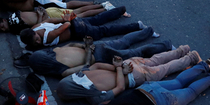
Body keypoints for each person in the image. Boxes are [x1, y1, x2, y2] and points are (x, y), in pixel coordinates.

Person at [56, 42, 203, 105]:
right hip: (128, 64)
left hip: (132, 76)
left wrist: (120, 70)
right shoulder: (82, 74)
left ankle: (192, 57)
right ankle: (183, 49)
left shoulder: (93, 97)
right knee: (155, 59)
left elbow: (120, 88)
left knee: (165, 68)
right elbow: (97, 65)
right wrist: (118, 66)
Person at [27, 27, 170, 73]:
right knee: (126, 44)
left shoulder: (59, 64)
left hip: (97, 51)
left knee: (134, 51)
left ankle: (165, 45)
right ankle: (150, 32)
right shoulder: (57, 59)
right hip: (98, 51)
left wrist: (86, 47)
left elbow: (83, 65)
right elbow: (85, 67)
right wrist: (87, 47)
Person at [19, 6, 141, 49]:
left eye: (36, 39)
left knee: (103, 29)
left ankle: (135, 24)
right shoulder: (41, 33)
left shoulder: (41, 33)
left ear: (33, 32)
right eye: (35, 43)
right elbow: (56, 24)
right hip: (76, 25)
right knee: (98, 21)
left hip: (76, 28)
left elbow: (59, 24)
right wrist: (65, 20)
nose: (38, 41)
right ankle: (121, 12)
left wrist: (65, 20)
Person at [0, 4, 106, 34]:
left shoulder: (15, 29)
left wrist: (40, 16)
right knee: (78, 11)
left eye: (2, 27)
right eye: (2, 30)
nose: (4, 29)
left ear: (4, 20)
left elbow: (38, 27)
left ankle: (104, 9)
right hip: (48, 11)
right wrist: (40, 13)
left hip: (49, 18)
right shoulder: (13, 15)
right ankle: (102, 6)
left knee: (80, 15)